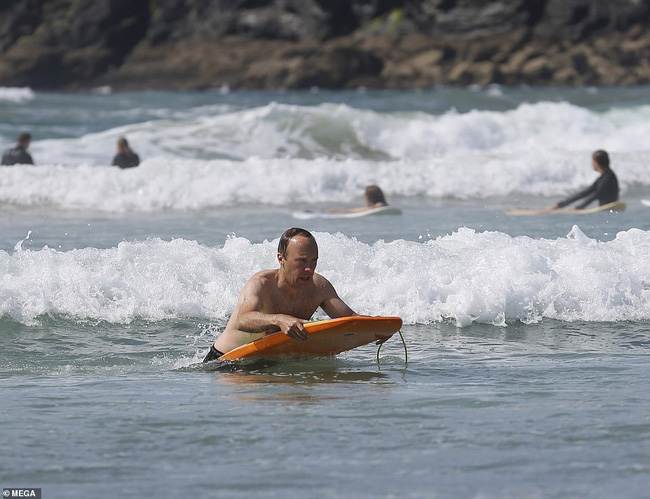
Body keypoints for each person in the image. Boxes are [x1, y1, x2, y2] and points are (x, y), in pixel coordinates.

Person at [203, 227, 358, 362]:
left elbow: (351, 319)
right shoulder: (261, 284)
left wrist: (380, 327)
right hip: (226, 362)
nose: (309, 269)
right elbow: (242, 320)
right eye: (301, 261)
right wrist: (279, 320)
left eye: (313, 261)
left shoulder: (319, 287)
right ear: (281, 258)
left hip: (271, 360)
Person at [546, 150, 619, 211]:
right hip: (608, 208)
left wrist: (579, 207)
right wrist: (559, 205)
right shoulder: (605, 177)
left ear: (596, 163)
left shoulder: (608, 177)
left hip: (609, 208)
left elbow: (597, 194)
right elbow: (584, 193)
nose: (591, 164)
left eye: (592, 161)